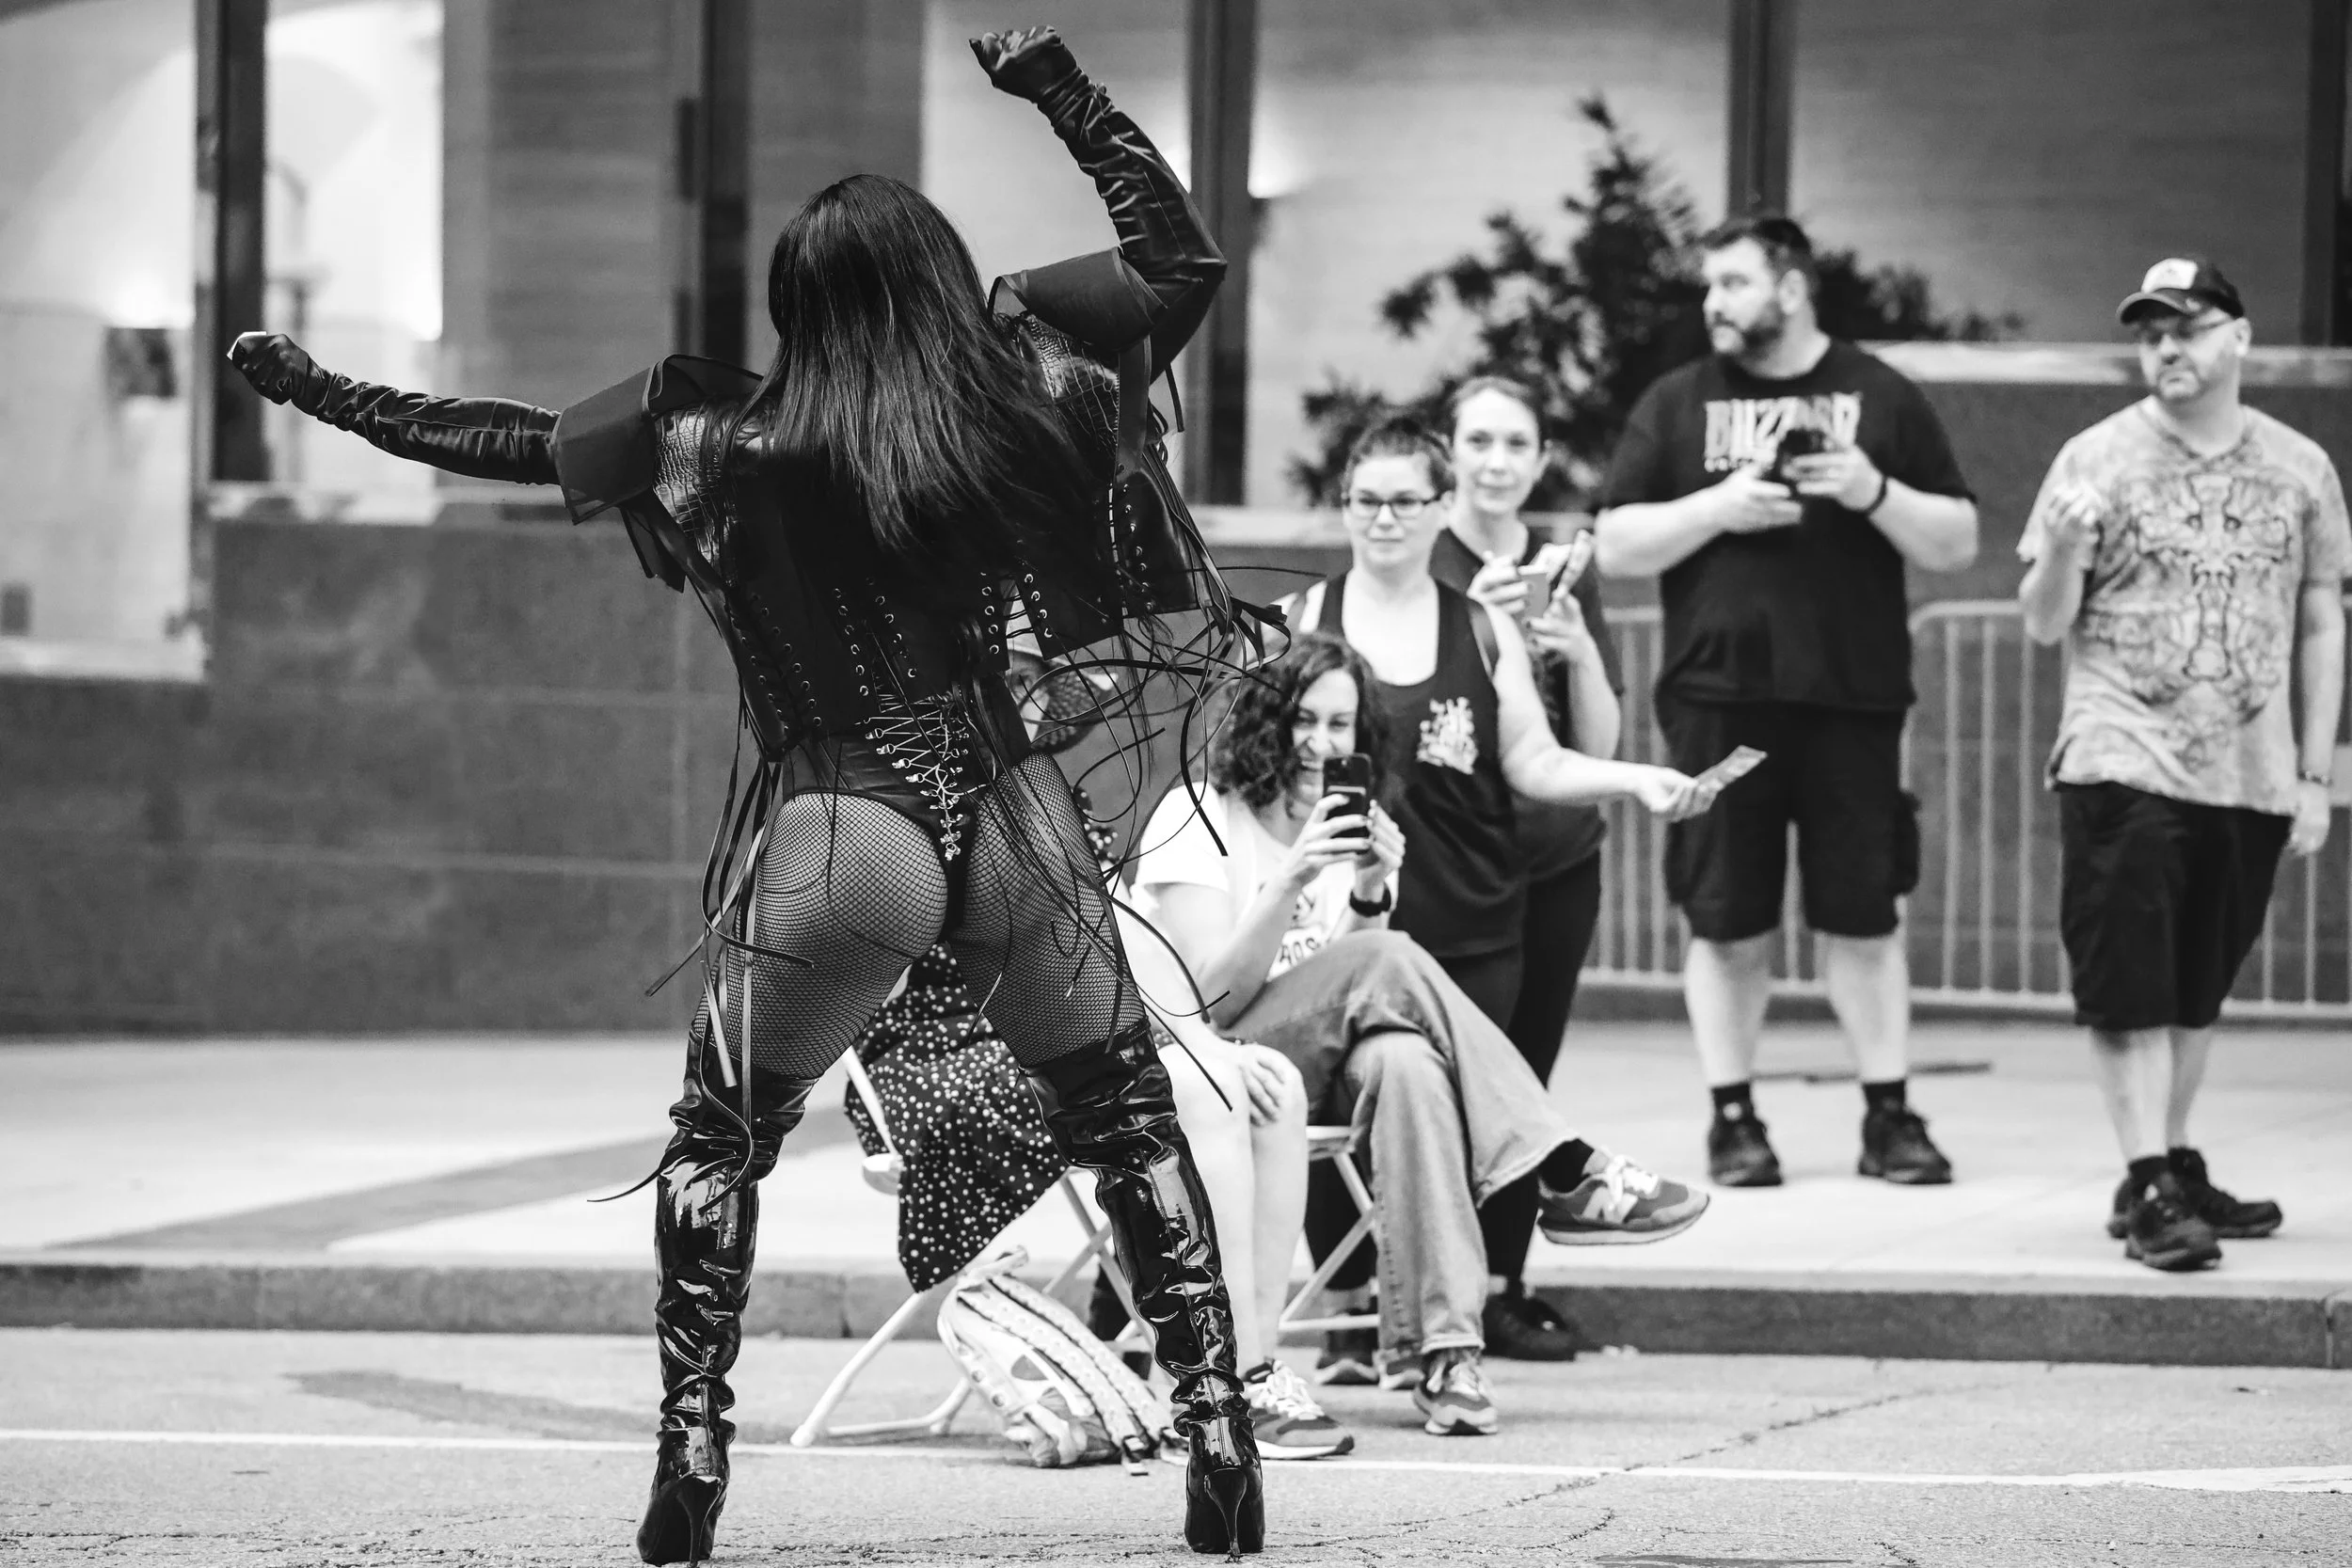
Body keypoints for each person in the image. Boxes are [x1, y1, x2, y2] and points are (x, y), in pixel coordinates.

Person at [230, 29, 1270, 1561]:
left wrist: (314, 388)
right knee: (1123, 1114)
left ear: (799, 307)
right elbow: (1175, 265)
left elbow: (505, 440)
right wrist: (1057, 85)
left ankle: (694, 1456)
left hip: (846, 830)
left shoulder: (715, 442)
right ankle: (1222, 1438)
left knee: (722, 1135)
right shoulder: (1024, 407)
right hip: (1017, 815)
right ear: (934, 284)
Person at [1136, 630, 1709, 1437]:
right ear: (1266, 719)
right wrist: (1294, 877)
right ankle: (1561, 1165)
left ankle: (1444, 1355)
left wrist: (1369, 889)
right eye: (1303, 718)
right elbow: (1208, 997)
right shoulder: (1199, 814)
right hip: (1212, 1057)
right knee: (1388, 957)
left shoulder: (1353, 830)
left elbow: (1354, 1003)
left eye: (1342, 727)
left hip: (1311, 1062)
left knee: (1406, 1061)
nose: (1320, 744)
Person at [1594, 214, 1979, 1190]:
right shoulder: (1679, 402)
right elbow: (1614, 543)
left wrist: (1869, 487)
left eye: (1730, 284)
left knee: (1864, 914)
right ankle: (1733, 1116)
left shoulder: (1880, 394)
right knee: (1724, 918)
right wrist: (1715, 507)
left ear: (1790, 287)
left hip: (1851, 700)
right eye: (1710, 287)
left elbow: (1956, 541)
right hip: (1719, 704)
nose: (1712, 304)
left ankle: (1888, 1114)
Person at [2016, 255, 2346, 1272]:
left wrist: (2314, 769)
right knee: (2130, 983)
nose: (2167, 346)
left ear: (2238, 339)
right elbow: (2040, 624)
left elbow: (2320, 617)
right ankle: (2151, 1175)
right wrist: (2066, 552)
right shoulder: (2093, 457)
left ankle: (2164, 1163)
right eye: (2151, 331)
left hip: (2247, 770)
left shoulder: (2299, 466)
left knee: (2199, 983)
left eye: (2190, 326)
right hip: (2123, 754)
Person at [1429, 374, 1628, 1360]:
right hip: (1458, 861)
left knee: (1528, 1076)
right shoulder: (1428, 557)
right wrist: (1468, 617)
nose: (1497, 461)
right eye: (1479, 441)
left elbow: (1597, 740)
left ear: (1541, 459)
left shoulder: (1564, 565)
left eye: (1516, 444)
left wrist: (1578, 649)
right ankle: (1432, 1289)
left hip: (1558, 858)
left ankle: (1504, 1285)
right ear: (1449, 451)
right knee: (1452, 1080)